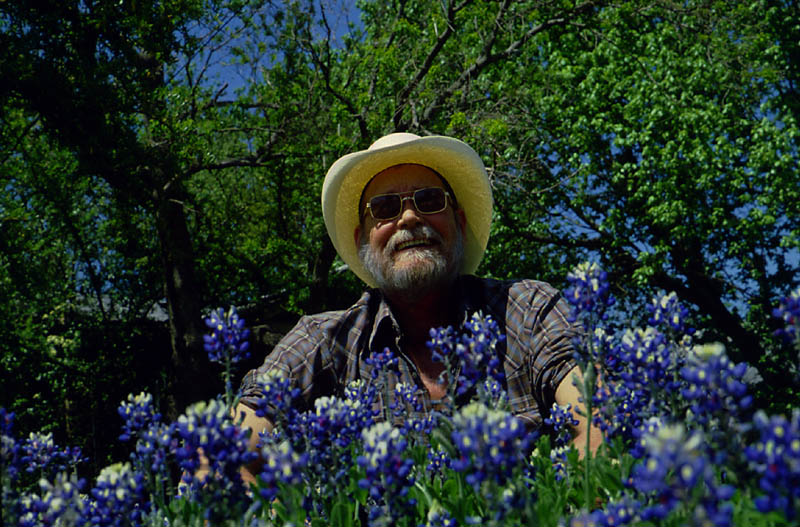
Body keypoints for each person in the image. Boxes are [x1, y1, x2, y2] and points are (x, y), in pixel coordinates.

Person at [234, 133, 602, 484]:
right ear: (363, 240)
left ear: (458, 223)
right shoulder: (325, 341)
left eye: (428, 201)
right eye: (384, 208)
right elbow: (222, 457)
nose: (409, 217)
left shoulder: (526, 308)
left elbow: (598, 414)